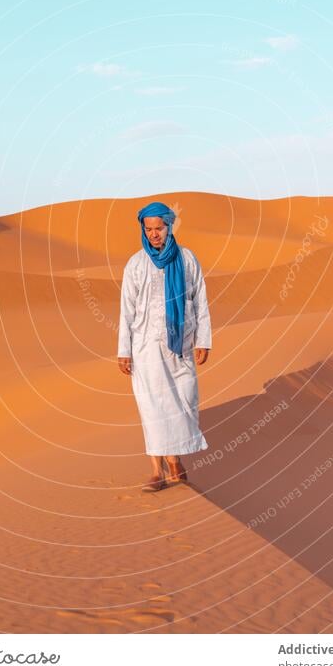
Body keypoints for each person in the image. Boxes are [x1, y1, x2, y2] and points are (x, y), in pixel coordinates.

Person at [117, 200, 212, 492]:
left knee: (184, 401)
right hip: (145, 347)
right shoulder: (135, 264)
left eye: (159, 228)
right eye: (149, 229)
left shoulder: (186, 259)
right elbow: (126, 309)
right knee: (152, 407)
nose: (154, 234)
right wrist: (124, 349)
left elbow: (200, 300)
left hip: (180, 345)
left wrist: (204, 340)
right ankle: (158, 471)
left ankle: (175, 459)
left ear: (170, 227)